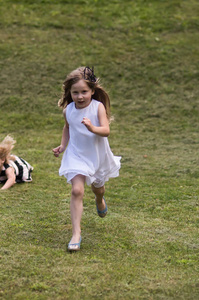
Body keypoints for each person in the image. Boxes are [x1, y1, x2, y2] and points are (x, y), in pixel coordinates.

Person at [53, 66, 121, 252]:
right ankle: (76, 234)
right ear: (70, 93)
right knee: (77, 190)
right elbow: (67, 128)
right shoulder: (68, 110)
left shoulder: (97, 107)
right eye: (75, 92)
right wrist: (63, 146)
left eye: (84, 92)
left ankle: (100, 199)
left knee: (97, 188)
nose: (80, 96)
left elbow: (106, 131)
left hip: (96, 155)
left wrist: (92, 128)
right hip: (76, 155)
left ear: (92, 90)